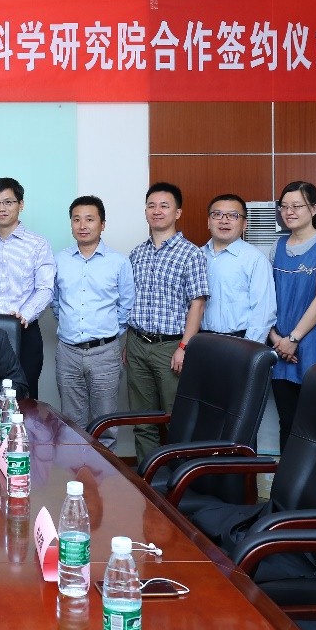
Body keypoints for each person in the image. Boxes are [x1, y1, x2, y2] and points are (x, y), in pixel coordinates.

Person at [124, 181, 209, 458]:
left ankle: (179, 479)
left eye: (164, 206)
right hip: (137, 344)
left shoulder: (191, 254)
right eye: (151, 205)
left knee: (176, 419)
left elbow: (198, 304)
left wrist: (184, 346)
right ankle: (147, 479)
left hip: (171, 348)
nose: (157, 211)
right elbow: (130, 301)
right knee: (142, 421)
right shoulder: (137, 253)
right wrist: (127, 342)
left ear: (177, 212)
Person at [52, 195, 134, 447]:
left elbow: (126, 305)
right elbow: (55, 301)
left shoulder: (118, 262)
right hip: (68, 352)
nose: (82, 225)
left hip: (105, 352)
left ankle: (105, 471)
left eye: (89, 219)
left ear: (102, 224)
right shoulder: (59, 260)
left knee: (105, 423)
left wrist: (108, 335)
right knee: (71, 422)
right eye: (76, 219)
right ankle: (74, 469)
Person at [266, 180, 316, 450]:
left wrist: (293, 338)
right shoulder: (277, 246)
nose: (289, 212)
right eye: (284, 206)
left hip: (314, 346)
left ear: (314, 208)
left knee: (315, 426)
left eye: (297, 206)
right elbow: (267, 298)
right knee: (287, 422)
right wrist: (276, 338)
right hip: (280, 346)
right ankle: (286, 478)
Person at [0, 177, 54, 399]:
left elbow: (45, 288)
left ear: (20, 204)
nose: (1, 208)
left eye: (8, 202)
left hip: (24, 330)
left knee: (25, 397)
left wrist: (24, 315)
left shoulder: (38, 244)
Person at [200, 194, 276, 343]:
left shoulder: (255, 260)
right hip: (200, 340)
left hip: (240, 341)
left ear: (244, 224)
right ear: (209, 222)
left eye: (233, 215)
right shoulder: (196, 256)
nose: (224, 220)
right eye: (217, 214)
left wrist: (249, 349)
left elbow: (263, 311)